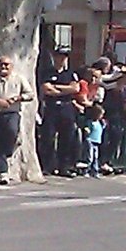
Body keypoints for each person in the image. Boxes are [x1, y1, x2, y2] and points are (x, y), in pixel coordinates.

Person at [0, 55, 35, 184]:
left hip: (12, 113)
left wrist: (17, 98)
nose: (4, 67)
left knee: (12, 132)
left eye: (6, 64)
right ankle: (3, 173)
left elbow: (30, 94)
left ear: (11, 66)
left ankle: (8, 152)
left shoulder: (19, 79)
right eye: (1, 64)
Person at [40, 47, 81, 175]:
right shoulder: (47, 72)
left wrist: (57, 87)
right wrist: (65, 89)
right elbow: (46, 89)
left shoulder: (70, 73)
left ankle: (64, 166)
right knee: (48, 137)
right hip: (52, 108)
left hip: (66, 107)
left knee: (67, 137)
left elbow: (75, 89)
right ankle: (47, 166)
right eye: (59, 56)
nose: (62, 59)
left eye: (64, 57)